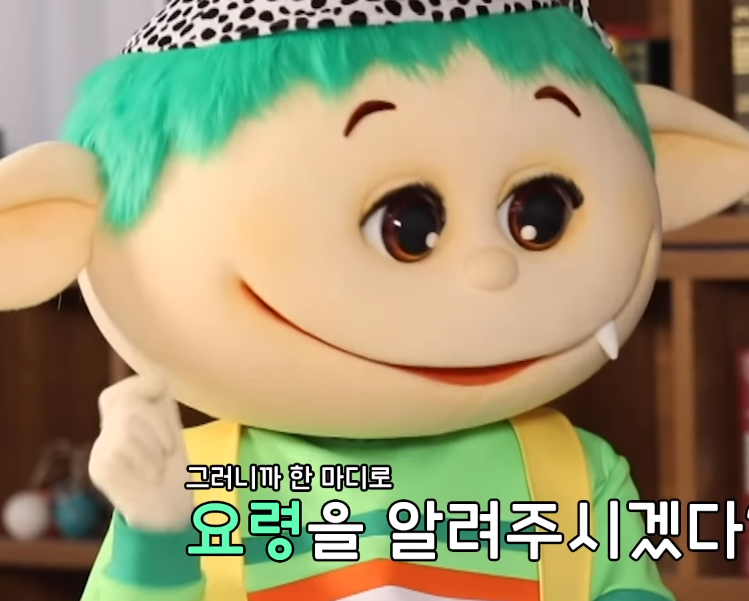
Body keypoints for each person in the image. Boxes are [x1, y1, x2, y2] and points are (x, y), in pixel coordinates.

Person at [1, 0, 748, 599]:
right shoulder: (195, 484)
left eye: (539, 214)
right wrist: (155, 536)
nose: (490, 269)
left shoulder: (577, 475)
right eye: (407, 225)